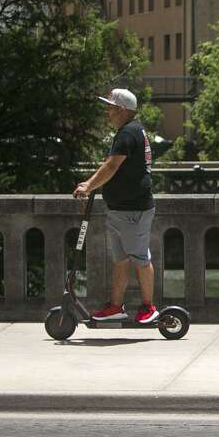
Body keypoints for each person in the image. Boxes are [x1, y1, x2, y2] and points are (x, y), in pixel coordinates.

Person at [73, 88, 158, 324]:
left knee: (140, 258)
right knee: (120, 259)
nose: (106, 112)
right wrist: (90, 183)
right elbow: (112, 168)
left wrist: (89, 186)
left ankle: (149, 307)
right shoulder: (131, 130)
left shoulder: (127, 133)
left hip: (133, 210)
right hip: (122, 209)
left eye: (110, 107)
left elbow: (111, 167)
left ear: (122, 110)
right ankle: (115, 306)